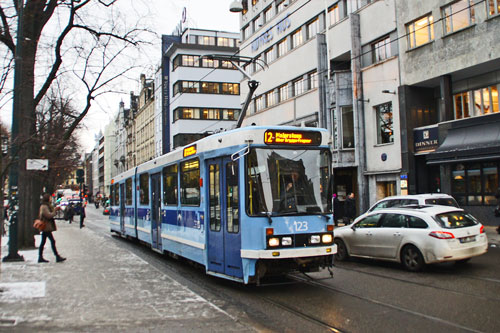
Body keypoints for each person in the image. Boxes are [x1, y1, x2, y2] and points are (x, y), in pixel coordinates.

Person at [38, 193, 66, 263]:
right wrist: (55, 211)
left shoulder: (46, 206)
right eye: (50, 198)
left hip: (46, 227)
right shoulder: (44, 206)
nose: (51, 199)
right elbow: (48, 215)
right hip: (46, 227)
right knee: (52, 241)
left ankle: (41, 257)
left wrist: (54, 210)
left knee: (43, 242)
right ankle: (56, 256)